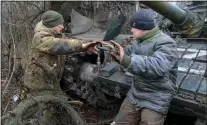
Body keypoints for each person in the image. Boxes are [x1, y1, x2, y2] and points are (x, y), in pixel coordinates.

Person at [109, 9, 178, 125]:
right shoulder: (139, 41)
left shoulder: (166, 43)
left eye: (133, 27)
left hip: (156, 97)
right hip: (135, 93)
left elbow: (158, 66)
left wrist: (125, 59)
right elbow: (127, 54)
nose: (131, 30)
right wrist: (116, 54)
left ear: (143, 27)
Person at [22, 10, 101, 98]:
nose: (62, 27)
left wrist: (87, 43)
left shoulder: (54, 32)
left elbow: (68, 41)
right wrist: (82, 45)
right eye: (60, 24)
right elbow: (59, 45)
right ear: (52, 25)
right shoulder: (40, 38)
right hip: (38, 84)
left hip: (50, 81)